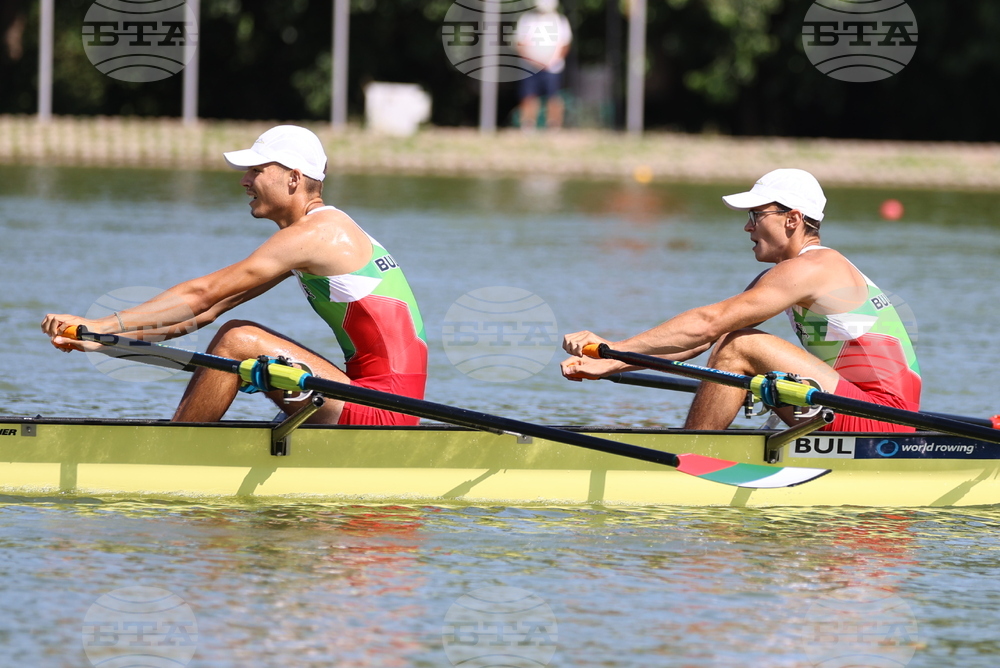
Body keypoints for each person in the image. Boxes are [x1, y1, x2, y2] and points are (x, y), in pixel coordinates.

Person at [42, 125, 428, 425]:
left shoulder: (319, 234)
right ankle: (188, 439)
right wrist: (104, 340)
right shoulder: (315, 235)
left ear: (294, 179)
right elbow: (206, 311)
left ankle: (175, 453)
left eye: (257, 170)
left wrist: (100, 323)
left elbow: (203, 294)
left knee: (237, 339)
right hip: (372, 398)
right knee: (234, 336)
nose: (244, 181)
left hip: (384, 409)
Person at [561, 168, 921, 432]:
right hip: (857, 408)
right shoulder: (790, 273)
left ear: (793, 219)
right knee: (730, 342)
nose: (748, 227)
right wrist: (614, 362)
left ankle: (692, 455)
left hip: (884, 418)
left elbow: (707, 324)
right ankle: (700, 450)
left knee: (739, 345)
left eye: (757, 215)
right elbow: (700, 340)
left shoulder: (815, 268)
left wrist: (613, 347)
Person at [515, 0, 572, 130]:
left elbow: (565, 44)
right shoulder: (527, 20)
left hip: (553, 67)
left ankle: (553, 125)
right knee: (529, 96)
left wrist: (552, 61)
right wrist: (533, 61)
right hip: (530, 67)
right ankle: (528, 125)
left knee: (554, 97)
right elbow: (520, 43)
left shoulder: (560, 20)